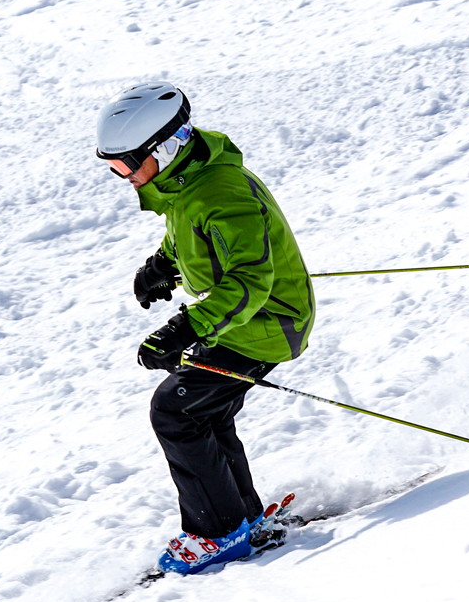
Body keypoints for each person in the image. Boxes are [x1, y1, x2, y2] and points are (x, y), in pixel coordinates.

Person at [96, 83, 314, 576]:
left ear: (164, 147)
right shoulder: (185, 181)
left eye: (126, 164)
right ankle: (242, 520)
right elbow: (191, 235)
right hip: (249, 318)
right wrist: (163, 264)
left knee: (175, 412)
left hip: (266, 322)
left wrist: (183, 329)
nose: (121, 176)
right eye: (112, 167)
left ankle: (217, 534)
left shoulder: (221, 192)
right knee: (204, 413)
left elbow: (248, 280)